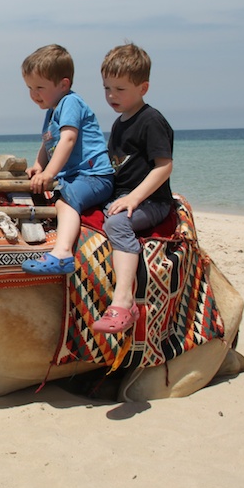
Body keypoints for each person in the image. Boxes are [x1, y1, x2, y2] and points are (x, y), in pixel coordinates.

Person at [92, 42, 174, 334]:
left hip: (152, 201)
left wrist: (135, 198)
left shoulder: (151, 121)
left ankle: (124, 301)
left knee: (117, 224)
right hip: (123, 195)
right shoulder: (118, 123)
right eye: (107, 88)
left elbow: (164, 166)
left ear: (143, 88)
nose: (112, 96)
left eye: (120, 89)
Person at [20, 44, 114, 275]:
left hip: (95, 176)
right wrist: (38, 166)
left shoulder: (70, 103)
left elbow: (68, 140)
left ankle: (62, 255)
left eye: (40, 87)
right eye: (30, 88)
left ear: (64, 85)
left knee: (65, 200)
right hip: (75, 176)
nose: (34, 95)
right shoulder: (51, 111)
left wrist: (49, 174)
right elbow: (47, 143)